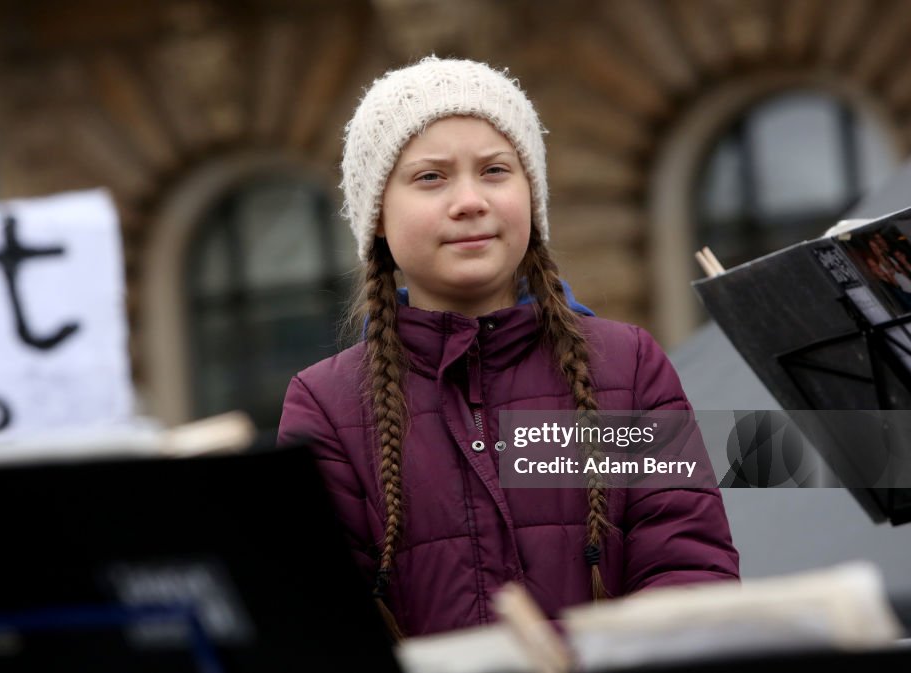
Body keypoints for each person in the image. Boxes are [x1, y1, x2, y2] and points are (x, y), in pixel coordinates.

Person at [277, 57, 739, 639]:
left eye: (495, 170)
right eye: (431, 177)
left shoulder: (628, 366)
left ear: (532, 196)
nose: (470, 200)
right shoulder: (325, 405)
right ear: (377, 219)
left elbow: (690, 570)